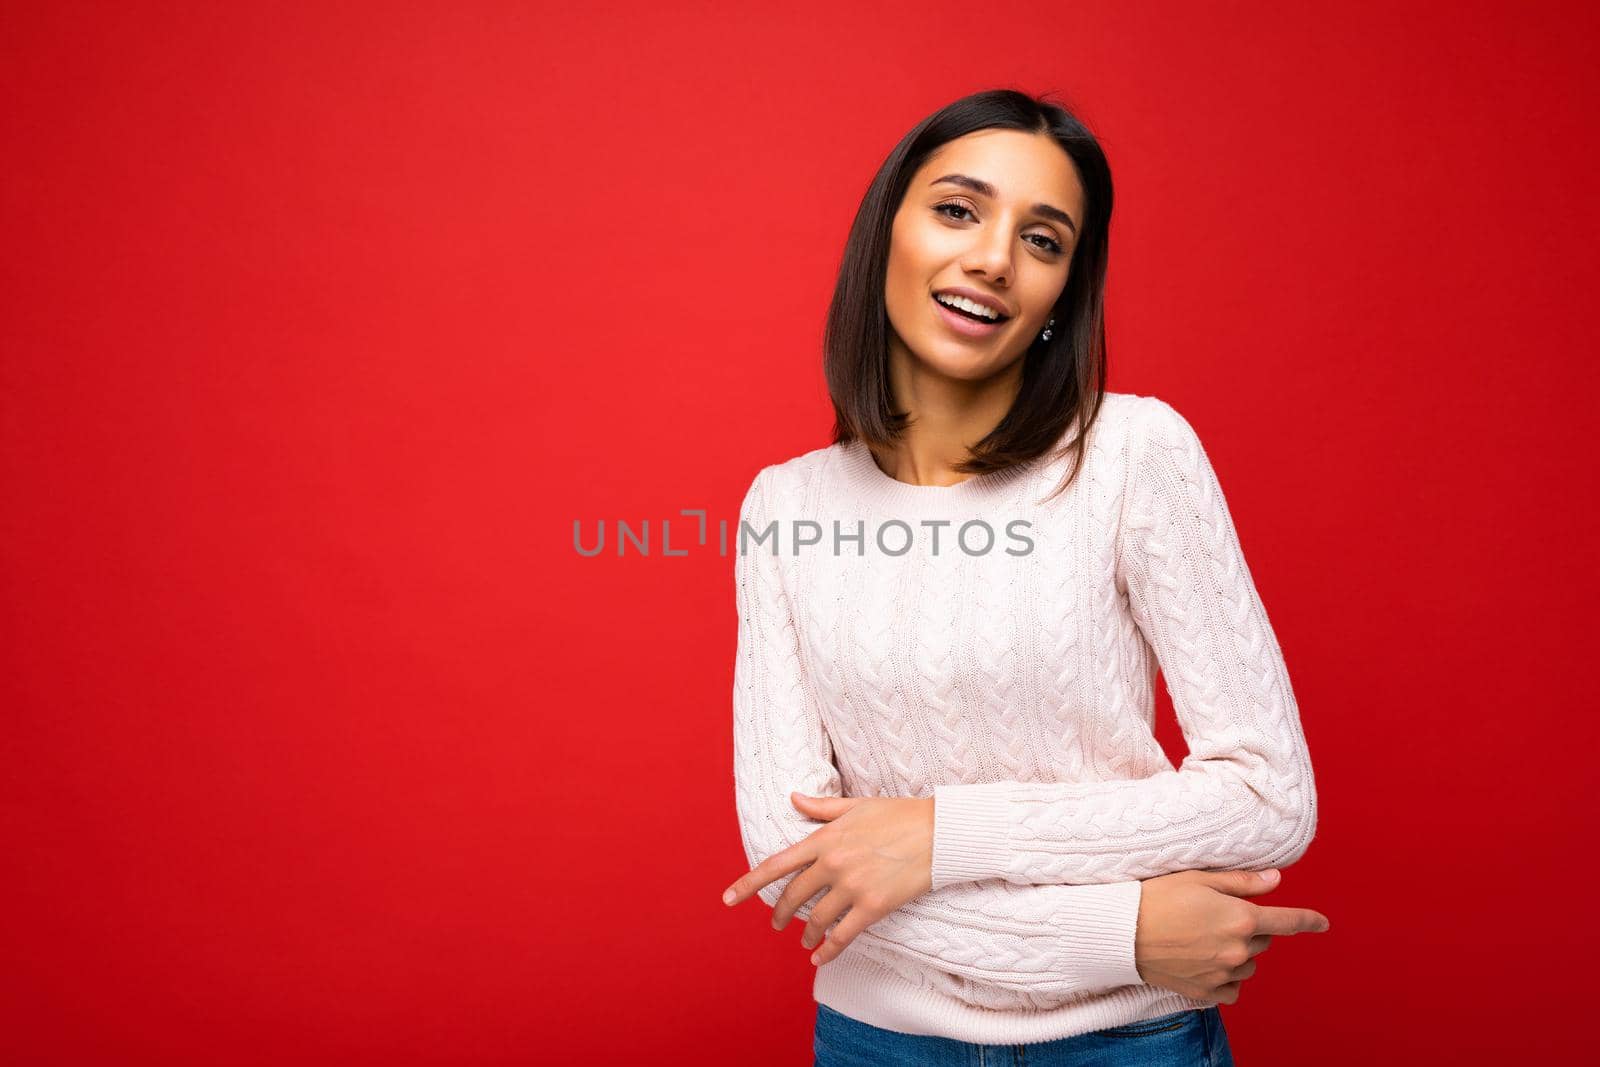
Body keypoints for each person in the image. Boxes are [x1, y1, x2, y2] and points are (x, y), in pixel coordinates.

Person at [721, 88, 1330, 1065]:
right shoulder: (784, 508)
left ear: (1060, 293)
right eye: (957, 210)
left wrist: (940, 835)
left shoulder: (1132, 455)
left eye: (1042, 240)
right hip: (878, 1044)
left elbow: (1266, 798)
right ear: (887, 234)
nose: (994, 257)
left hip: (1129, 1045)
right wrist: (1115, 935)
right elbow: (794, 862)